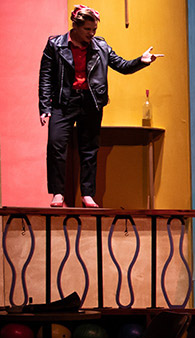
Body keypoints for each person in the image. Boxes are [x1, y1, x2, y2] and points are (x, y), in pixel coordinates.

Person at [40, 5, 162, 208]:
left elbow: (121, 66)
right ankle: (58, 193)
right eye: (88, 29)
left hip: (91, 102)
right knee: (56, 145)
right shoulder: (55, 44)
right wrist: (45, 106)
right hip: (64, 102)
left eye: (94, 29)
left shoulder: (100, 46)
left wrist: (141, 61)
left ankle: (87, 194)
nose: (92, 33)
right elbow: (46, 76)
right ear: (76, 26)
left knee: (89, 150)